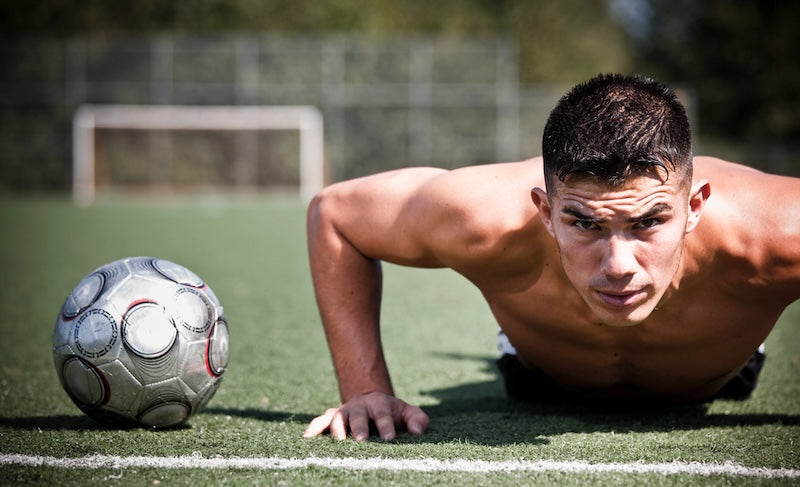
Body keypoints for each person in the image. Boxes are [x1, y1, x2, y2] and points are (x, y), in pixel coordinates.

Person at [302, 73, 800, 441]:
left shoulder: (773, 236)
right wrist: (365, 390)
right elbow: (337, 215)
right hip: (539, 373)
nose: (618, 265)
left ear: (694, 207)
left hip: (720, 375)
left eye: (649, 222)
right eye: (585, 223)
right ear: (544, 210)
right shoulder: (485, 220)